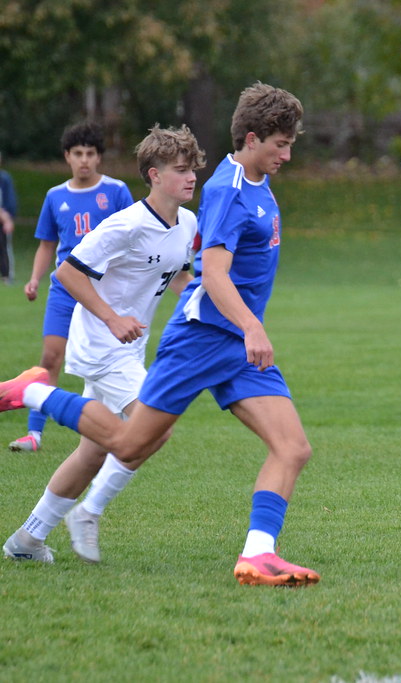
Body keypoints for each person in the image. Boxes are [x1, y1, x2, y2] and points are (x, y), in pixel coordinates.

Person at [0, 83, 320, 587]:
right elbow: (215, 275)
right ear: (253, 138)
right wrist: (252, 324)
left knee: (293, 447)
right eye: (280, 143)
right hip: (200, 339)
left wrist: (232, 318)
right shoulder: (228, 190)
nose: (287, 153)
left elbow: (189, 271)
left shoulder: (246, 189)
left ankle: (258, 555)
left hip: (233, 344)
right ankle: (32, 391)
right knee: (129, 444)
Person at [2, 125, 203, 565]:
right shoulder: (126, 224)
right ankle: (33, 397)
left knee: (93, 452)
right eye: (182, 170)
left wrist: (208, 298)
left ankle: (27, 540)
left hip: (131, 347)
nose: (192, 178)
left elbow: (178, 277)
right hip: (100, 342)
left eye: (194, 170)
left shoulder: (187, 222)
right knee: (156, 427)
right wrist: (112, 319)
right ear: (153, 174)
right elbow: (68, 273)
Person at [10, 123, 133, 452]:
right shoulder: (55, 196)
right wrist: (35, 278)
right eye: (77, 153)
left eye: (90, 153)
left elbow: (131, 238)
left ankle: (118, 427)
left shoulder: (117, 191)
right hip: (64, 289)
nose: (84, 160)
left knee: (109, 358)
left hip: (105, 291)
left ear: (99, 158)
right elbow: (47, 245)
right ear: (67, 157)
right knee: (51, 356)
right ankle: (34, 434)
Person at [0, 150, 18, 284]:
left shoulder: (4, 179)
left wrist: (8, 218)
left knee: (4, 246)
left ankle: (6, 275)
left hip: (2, 220)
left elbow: (10, 200)